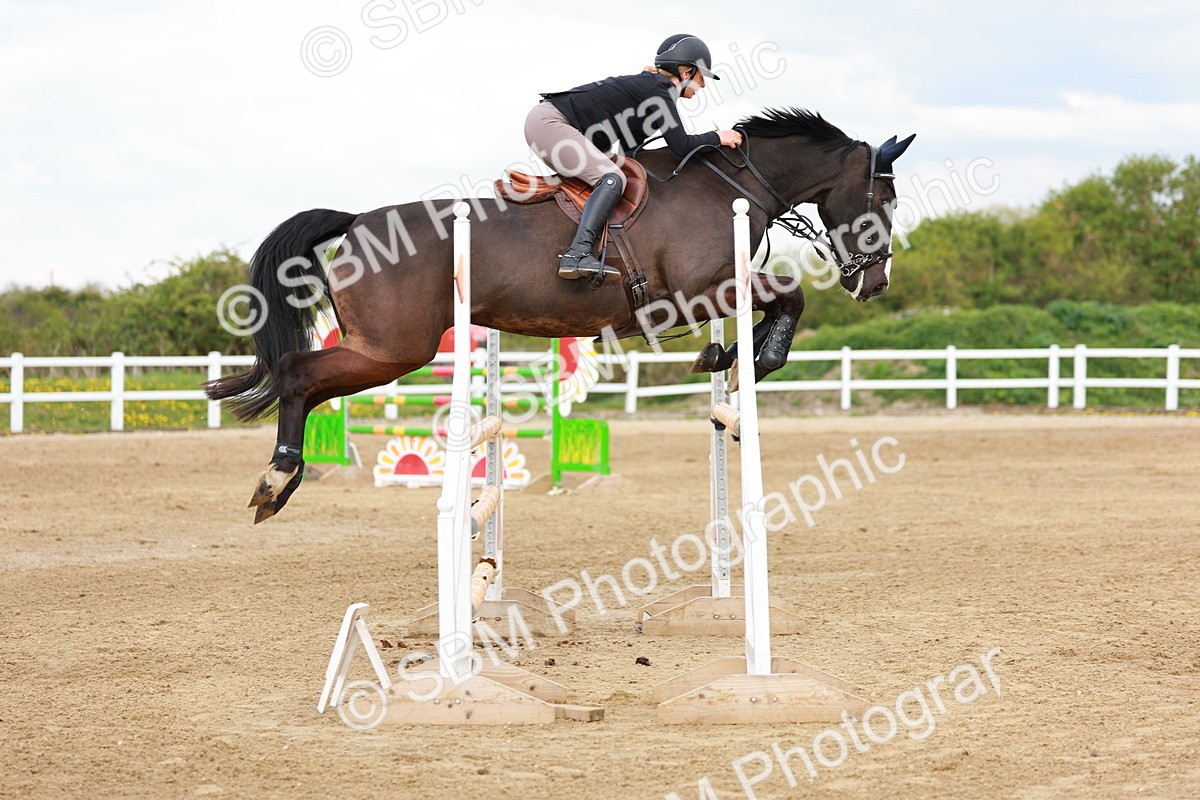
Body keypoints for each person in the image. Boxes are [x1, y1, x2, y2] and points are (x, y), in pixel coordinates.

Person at [525, 34, 744, 280]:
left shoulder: (651, 91)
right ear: (686, 74)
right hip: (551, 123)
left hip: (552, 124)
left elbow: (630, 153)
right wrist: (718, 137)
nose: (703, 85)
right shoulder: (659, 90)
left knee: (616, 174)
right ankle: (577, 254)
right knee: (612, 178)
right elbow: (681, 145)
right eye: (701, 77)